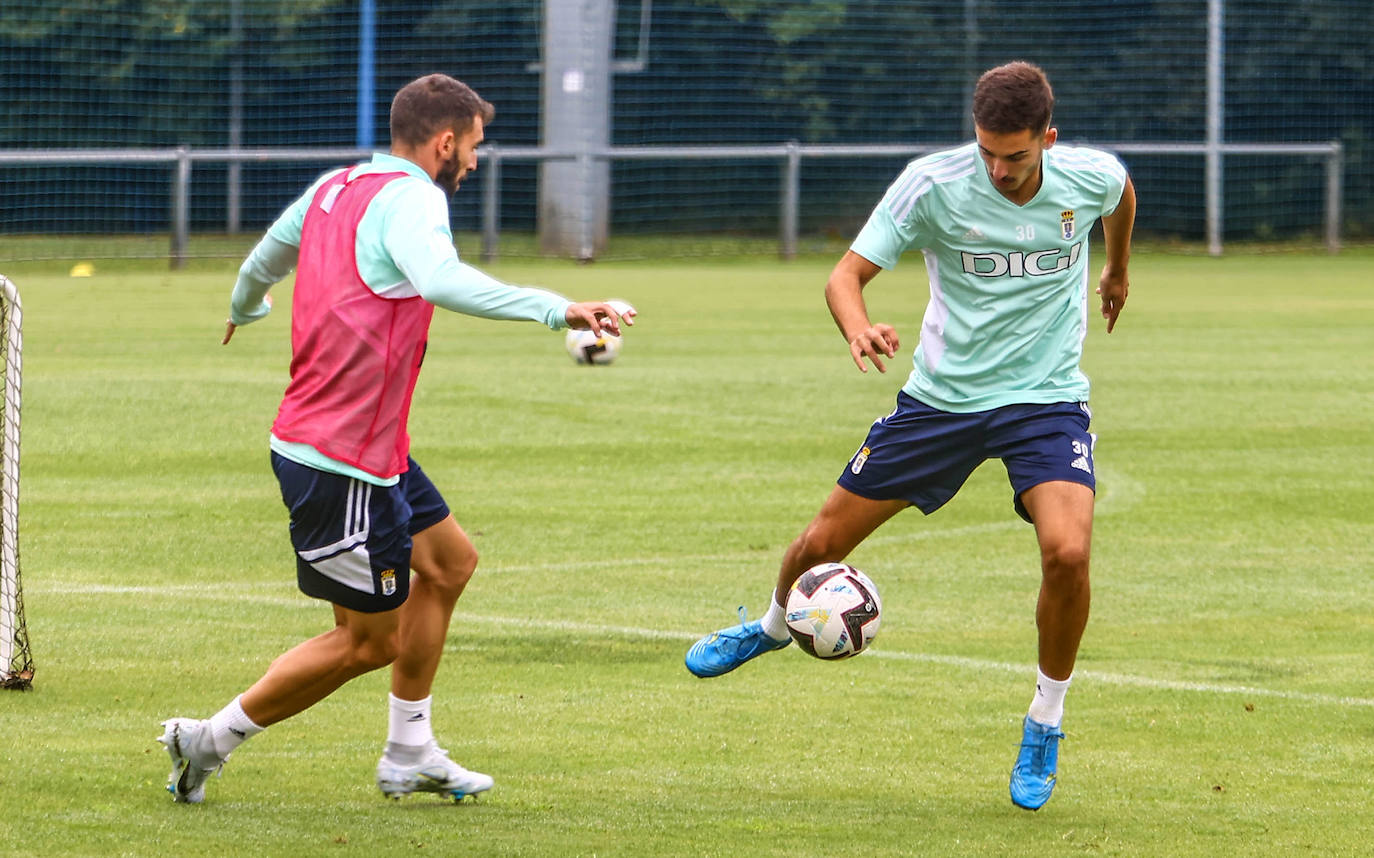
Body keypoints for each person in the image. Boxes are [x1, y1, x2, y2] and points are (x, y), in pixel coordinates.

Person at [158, 73, 633, 804]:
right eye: (473, 146)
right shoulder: (416, 198)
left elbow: (263, 261)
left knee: (448, 565)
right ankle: (206, 741)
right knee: (367, 641)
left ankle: (410, 751)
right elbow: (440, 281)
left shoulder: (335, 188)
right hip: (339, 461)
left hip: (370, 453)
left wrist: (244, 307)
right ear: (444, 141)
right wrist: (555, 309)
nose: (474, 161)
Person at [684, 61, 1135, 811]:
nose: (996, 168)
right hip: (942, 401)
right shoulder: (932, 184)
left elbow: (1119, 196)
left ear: (1047, 141)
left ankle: (1045, 721)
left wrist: (1117, 269)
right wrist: (858, 327)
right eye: (986, 149)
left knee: (1068, 550)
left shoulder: (1088, 176)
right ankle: (767, 626)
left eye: (1015, 155)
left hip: (1045, 399)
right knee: (821, 544)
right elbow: (843, 278)